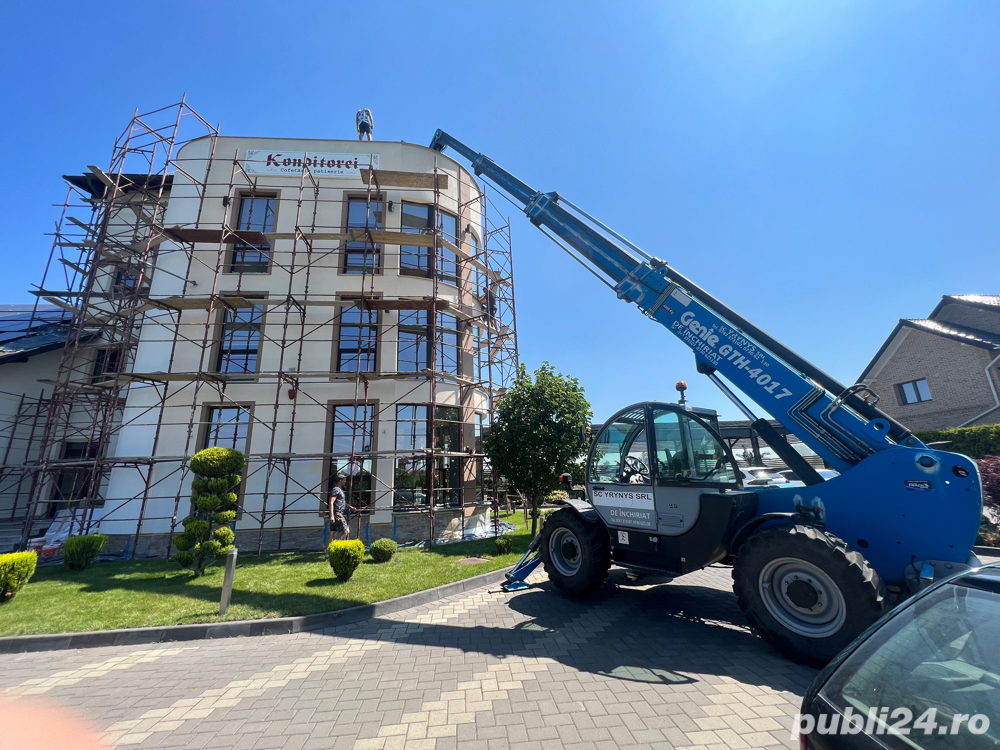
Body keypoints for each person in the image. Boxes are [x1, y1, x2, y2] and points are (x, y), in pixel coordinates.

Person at [330, 473, 352, 539]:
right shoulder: (336, 490)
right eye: (344, 480)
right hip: (337, 514)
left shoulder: (340, 490)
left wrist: (350, 507)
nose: (345, 481)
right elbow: (331, 502)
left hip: (337, 514)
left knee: (332, 534)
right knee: (346, 530)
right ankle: (338, 545)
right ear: (340, 481)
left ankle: (329, 548)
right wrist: (332, 516)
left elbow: (342, 502)